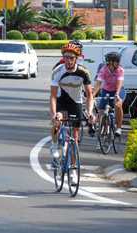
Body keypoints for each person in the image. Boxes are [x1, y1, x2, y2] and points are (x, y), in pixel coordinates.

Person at [50, 42, 94, 183]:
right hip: (61, 100)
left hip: (76, 102)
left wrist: (90, 112)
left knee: (74, 137)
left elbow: (89, 95)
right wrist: (54, 114)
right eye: (66, 57)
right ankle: (55, 145)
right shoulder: (58, 71)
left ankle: (73, 170)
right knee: (58, 120)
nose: (68, 60)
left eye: (71, 58)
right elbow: (52, 96)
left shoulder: (83, 72)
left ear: (77, 58)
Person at [93, 52, 125, 136]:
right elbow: (98, 83)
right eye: (116, 61)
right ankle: (102, 127)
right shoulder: (103, 69)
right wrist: (92, 95)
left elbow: (119, 82)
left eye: (118, 61)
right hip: (106, 90)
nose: (118, 63)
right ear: (110, 62)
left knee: (118, 105)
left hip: (118, 90)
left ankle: (118, 128)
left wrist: (117, 94)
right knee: (101, 110)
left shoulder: (120, 70)